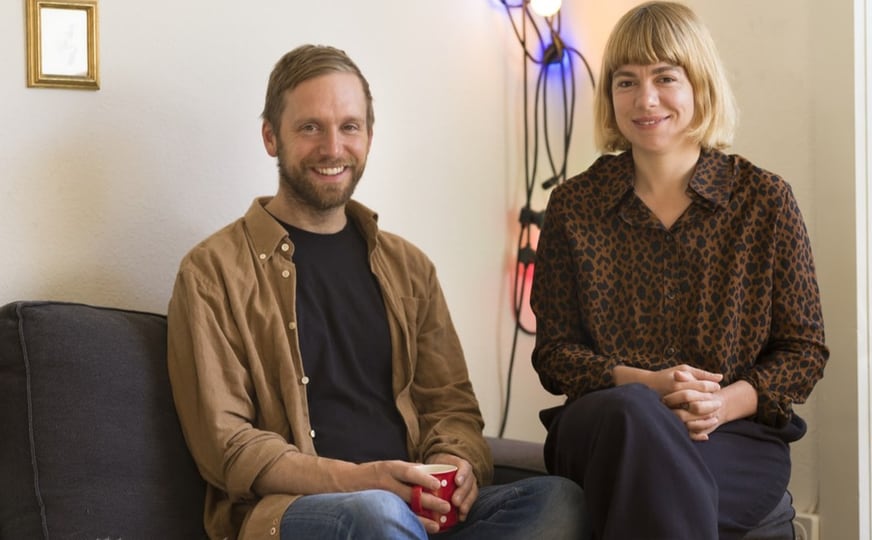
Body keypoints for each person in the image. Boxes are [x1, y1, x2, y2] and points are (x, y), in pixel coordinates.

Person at [167, 44, 589, 540]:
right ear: (270, 137)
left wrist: (454, 464)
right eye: (310, 127)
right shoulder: (211, 272)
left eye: (349, 126)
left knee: (558, 500)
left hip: (413, 510)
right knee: (375, 514)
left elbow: (450, 406)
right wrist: (361, 480)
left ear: (369, 135)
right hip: (296, 513)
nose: (333, 147)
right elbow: (229, 446)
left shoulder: (409, 268)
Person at [529, 3, 830, 539]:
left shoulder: (765, 201)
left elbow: (803, 350)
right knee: (633, 415)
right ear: (610, 96)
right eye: (627, 82)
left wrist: (721, 403)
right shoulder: (574, 206)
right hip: (603, 429)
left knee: (655, 478)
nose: (645, 100)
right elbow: (555, 355)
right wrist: (644, 385)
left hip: (731, 437)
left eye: (665, 78)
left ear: (700, 85)